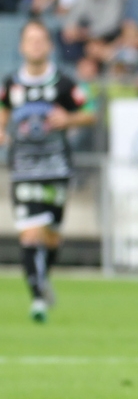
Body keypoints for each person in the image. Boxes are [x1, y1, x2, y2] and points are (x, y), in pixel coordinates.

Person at [0, 21, 96, 322]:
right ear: (22, 47)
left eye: (41, 40)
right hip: (24, 168)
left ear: (50, 46)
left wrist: (68, 120)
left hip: (56, 167)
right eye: (31, 40)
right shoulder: (11, 84)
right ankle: (38, 298)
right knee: (30, 235)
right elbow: (2, 113)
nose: (36, 45)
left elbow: (90, 110)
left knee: (51, 236)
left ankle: (43, 279)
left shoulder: (64, 84)